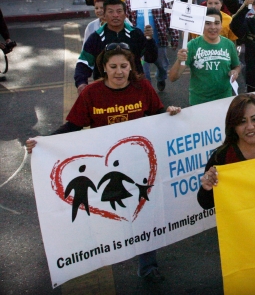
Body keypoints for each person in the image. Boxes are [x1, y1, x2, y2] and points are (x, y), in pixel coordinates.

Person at [26, 45, 181, 283]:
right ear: (104, 68)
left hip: (138, 167)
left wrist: (170, 112)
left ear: (131, 66)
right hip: (106, 171)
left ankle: (148, 266)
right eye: (113, 67)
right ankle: (101, 256)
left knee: (143, 216)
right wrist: (42, 142)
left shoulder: (143, 88)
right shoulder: (91, 93)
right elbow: (72, 127)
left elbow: (159, 116)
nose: (119, 72)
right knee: (109, 219)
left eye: (124, 66)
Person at [75, 0, 157, 94]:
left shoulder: (136, 34)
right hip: (104, 92)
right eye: (110, 12)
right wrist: (81, 83)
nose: (115, 15)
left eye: (119, 11)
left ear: (125, 14)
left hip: (134, 89)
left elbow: (151, 58)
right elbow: (84, 63)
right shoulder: (95, 38)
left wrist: (149, 40)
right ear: (104, 15)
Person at [169, 9, 240, 105]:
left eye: (217, 23)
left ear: (221, 25)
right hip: (200, 101)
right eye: (208, 23)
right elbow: (173, 77)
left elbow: (237, 66)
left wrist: (235, 71)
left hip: (225, 99)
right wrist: (179, 60)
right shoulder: (192, 46)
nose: (213, 27)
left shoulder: (229, 44)